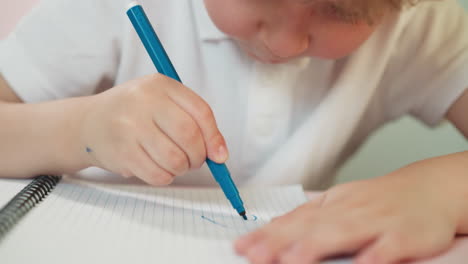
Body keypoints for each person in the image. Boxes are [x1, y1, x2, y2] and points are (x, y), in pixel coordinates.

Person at [0, 0, 467, 263]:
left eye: (341, 11)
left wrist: (439, 193)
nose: (285, 43)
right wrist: (81, 128)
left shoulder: (417, 21)